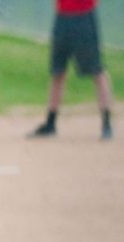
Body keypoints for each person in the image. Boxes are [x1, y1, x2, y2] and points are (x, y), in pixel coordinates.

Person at [30, 0, 114, 140]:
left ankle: (107, 124)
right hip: (62, 17)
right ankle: (51, 123)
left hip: (84, 17)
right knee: (57, 72)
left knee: (97, 71)